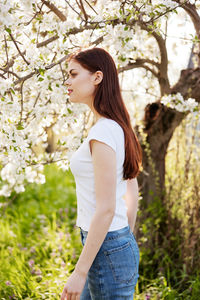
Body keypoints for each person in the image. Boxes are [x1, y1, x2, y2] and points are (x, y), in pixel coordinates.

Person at [61, 47, 142, 300]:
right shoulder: (114, 126)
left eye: (73, 74)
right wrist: (123, 236)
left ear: (97, 77)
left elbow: (106, 208)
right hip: (111, 243)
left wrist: (80, 271)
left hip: (106, 245)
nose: (67, 81)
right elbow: (131, 187)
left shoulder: (104, 132)